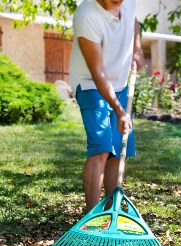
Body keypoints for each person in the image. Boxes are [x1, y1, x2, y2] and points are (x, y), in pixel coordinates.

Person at [69, 0, 144, 212]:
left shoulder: (127, 3)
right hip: (91, 83)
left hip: (120, 83)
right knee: (101, 147)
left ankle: (112, 211)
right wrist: (120, 112)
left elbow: (133, 21)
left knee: (118, 147)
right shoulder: (87, 16)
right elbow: (98, 73)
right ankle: (92, 216)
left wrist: (137, 49)